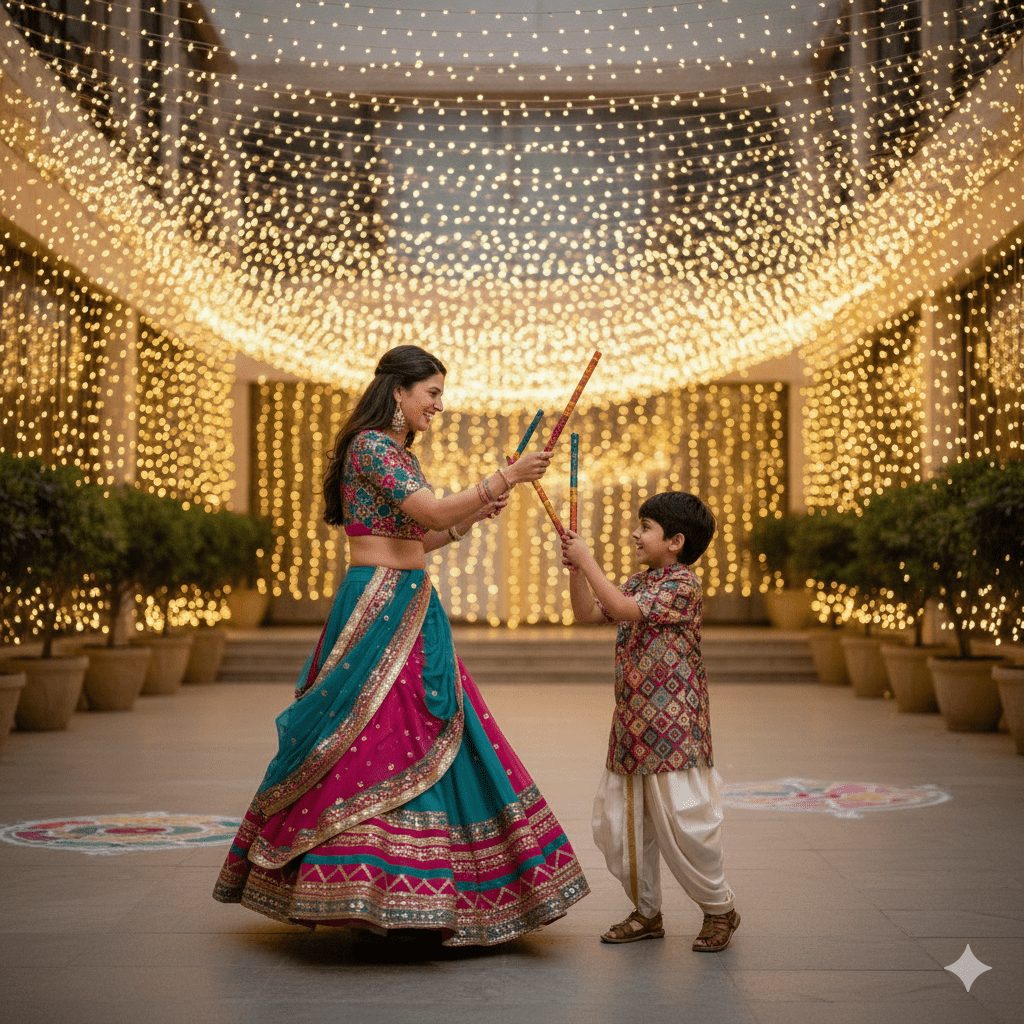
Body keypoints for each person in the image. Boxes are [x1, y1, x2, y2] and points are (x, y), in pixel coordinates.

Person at [214, 345, 589, 946]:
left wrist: (469, 517)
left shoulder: (393, 452)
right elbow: (428, 510)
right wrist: (505, 476)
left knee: (424, 728)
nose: (439, 405)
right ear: (399, 391)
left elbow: (418, 536)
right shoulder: (371, 447)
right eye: (433, 393)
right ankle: (372, 885)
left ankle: (413, 890)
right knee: (369, 734)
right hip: (378, 606)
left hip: (409, 600)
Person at [560, 491, 739, 952]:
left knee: (686, 824)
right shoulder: (641, 581)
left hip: (676, 731)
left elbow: (620, 610)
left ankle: (719, 910)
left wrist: (589, 558)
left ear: (676, 541)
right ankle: (646, 913)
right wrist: (579, 572)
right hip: (633, 727)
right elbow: (588, 613)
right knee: (623, 827)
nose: (636, 535)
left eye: (646, 528)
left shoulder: (682, 585)